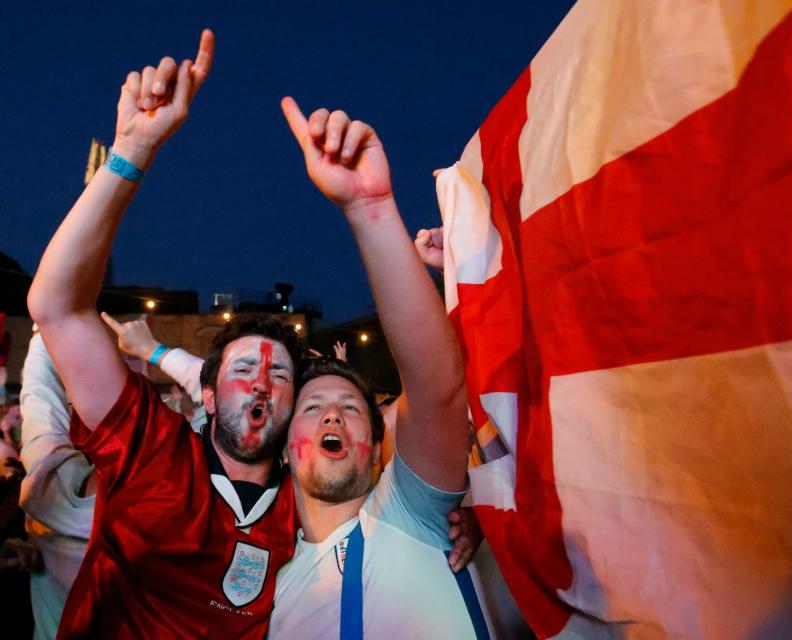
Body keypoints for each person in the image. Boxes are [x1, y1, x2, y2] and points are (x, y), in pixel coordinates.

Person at [26, 30, 309, 638]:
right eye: (241, 370)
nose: (261, 380)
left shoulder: (312, 502)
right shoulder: (151, 449)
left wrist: (460, 522)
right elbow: (57, 307)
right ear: (205, 398)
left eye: (279, 374)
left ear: (294, 407)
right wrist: (132, 151)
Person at [268, 102, 491, 638]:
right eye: (313, 407)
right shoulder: (268, 596)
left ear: (379, 442)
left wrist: (371, 210)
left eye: (350, 408)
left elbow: (437, 387)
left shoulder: (410, 512)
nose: (333, 418)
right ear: (282, 444)